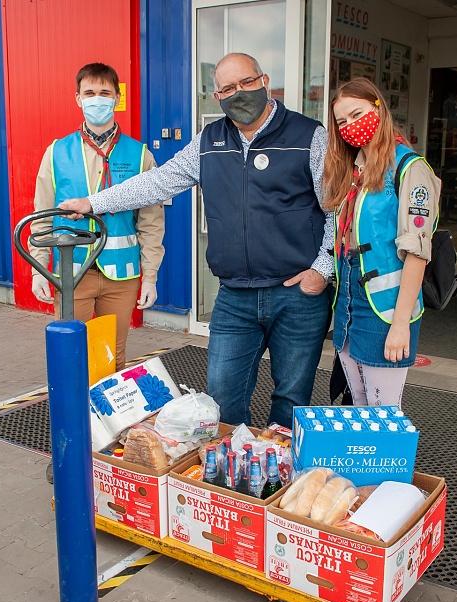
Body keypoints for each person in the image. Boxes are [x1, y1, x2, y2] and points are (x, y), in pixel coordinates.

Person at [58, 53, 333, 427]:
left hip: (297, 294)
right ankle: (230, 474)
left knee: (292, 396)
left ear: (265, 80)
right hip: (235, 297)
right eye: (228, 88)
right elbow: (156, 182)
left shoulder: (309, 136)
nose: (240, 93)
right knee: (221, 397)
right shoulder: (209, 142)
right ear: (217, 96)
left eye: (247, 83)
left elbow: (338, 208)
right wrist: (94, 202)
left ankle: (280, 476)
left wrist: (321, 270)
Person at [29, 62, 165, 371]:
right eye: (89, 92)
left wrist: (151, 277)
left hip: (122, 275)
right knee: (70, 355)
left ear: (117, 98)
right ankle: (76, 418)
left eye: (105, 92)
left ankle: (106, 418)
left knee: (112, 356)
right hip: (72, 272)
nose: (97, 99)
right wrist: (39, 268)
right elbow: (41, 215)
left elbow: (151, 222)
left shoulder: (140, 154)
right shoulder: (56, 152)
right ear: (77, 98)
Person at [322, 78, 440, 407]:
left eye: (357, 114)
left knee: (383, 413)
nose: (350, 126)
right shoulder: (353, 170)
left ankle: (388, 461)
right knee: (358, 404)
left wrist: (400, 324)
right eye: (341, 121)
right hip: (348, 304)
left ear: (378, 108)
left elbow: (417, 253)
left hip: (385, 311)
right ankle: (361, 461)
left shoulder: (409, 169)